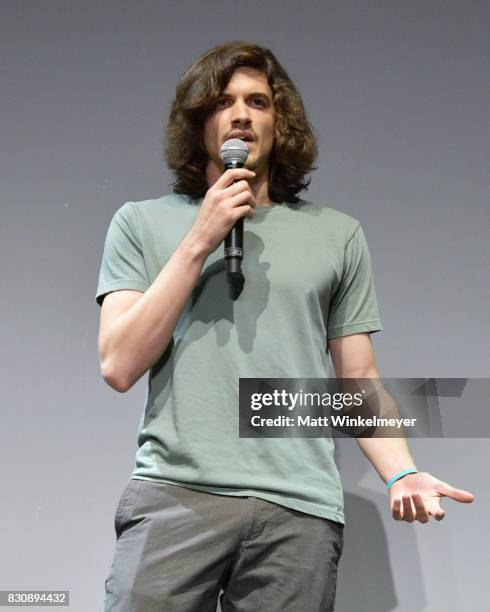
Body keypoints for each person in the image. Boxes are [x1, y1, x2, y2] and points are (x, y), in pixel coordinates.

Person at [96, 41, 474, 612]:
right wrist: (201, 237)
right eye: (223, 101)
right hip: (176, 493)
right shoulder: (142, 222)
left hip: (298, 509)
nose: (241, 114)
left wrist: (403, 472)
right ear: (201, 121)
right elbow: (119, 364)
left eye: (259, 102)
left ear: (281, 122)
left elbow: (358, 382)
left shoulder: (337, 235)